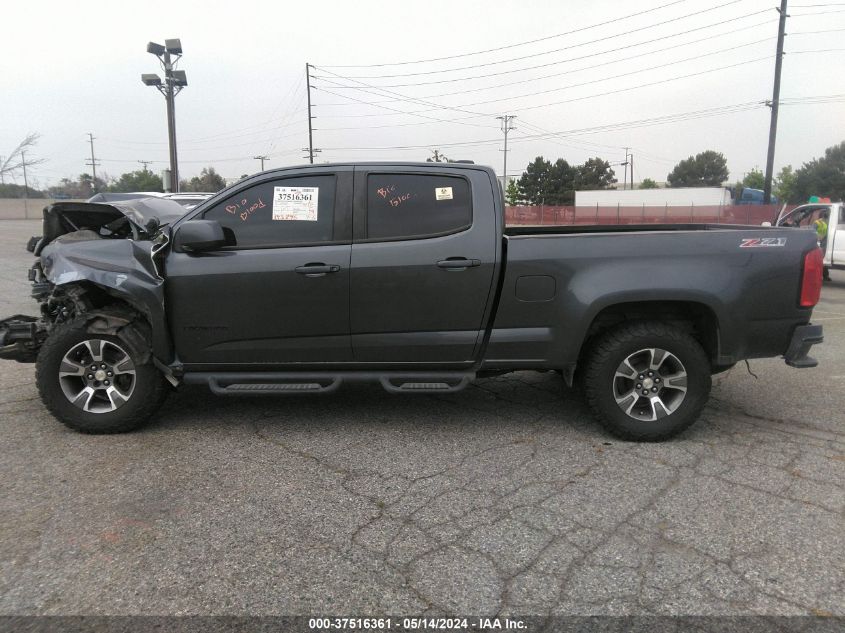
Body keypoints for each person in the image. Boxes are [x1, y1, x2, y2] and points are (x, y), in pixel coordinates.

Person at [814, 210, 831, 281]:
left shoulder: (819, 223)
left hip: (819, 243)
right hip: (820, 243)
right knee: (821, 260)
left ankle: (821, 275)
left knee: (820, 260)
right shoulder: (823, 223)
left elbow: (812, 232)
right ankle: (825, 276)